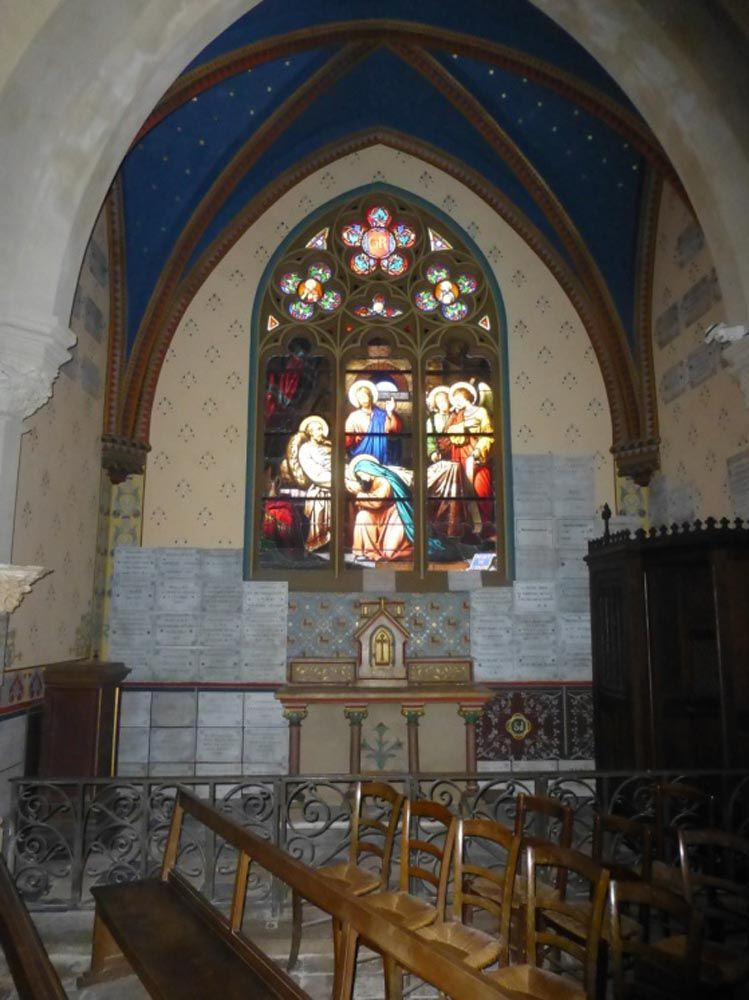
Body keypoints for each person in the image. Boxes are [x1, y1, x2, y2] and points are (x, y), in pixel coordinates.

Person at [347, 455, 413, 563]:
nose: (361, 478)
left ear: (368, 469)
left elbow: (377, 502)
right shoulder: (371, 482)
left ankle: (413, 551)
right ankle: (369, 552)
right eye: (359, 476)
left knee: (390, 553)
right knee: (362, 516)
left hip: (397, 515)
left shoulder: (383, 480)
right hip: (380, 515)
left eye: (361, 474)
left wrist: (359, 495)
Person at [446, 382, 495, 529]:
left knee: (481, 488)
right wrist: (460, 425)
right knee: (462, 489)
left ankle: (484, 525)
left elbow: (488, 434)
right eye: (455, 400)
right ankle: (469, 525)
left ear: (467, 397)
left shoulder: (481, 412)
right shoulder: (456, 416)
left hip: (477, 454)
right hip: (459, 455)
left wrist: (478, 451)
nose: (457, 402)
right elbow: (448, 433)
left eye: (459, 399)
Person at [344, 380, 402, 465]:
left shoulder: (382, 414)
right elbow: (347, 439)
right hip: (362, 455)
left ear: (370, 396)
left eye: (364, 396)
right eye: (359, 397)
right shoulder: (354, 416)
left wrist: (390, 412)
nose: (362, 399)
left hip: (381, 455)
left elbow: (394, 430)